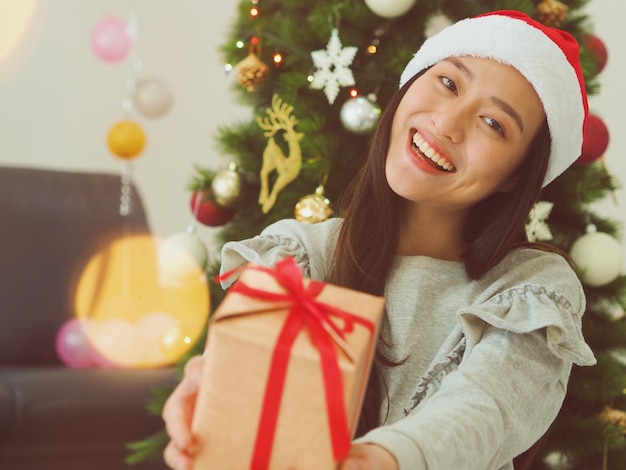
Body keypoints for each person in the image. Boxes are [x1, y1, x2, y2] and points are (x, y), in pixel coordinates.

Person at [162, 9, 596, 470]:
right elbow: (245, 382)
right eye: (448, 83)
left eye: (495, 124)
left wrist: (382, 458)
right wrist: (206, 390)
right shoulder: (298, 256)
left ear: (516, 178)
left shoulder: (532, 292)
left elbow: (488, 407)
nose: (448, 123)